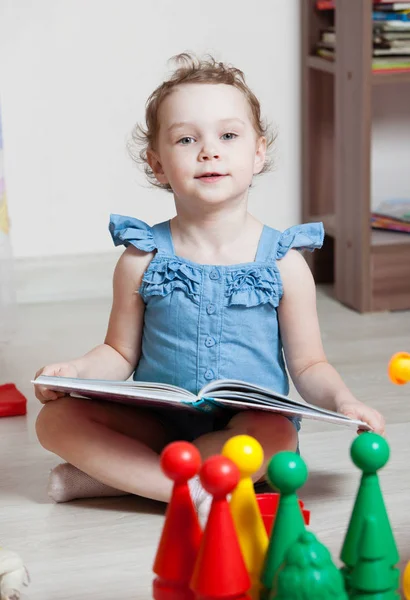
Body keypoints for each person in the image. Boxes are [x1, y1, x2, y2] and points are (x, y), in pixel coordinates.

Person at [34, 53, 385, 521]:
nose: (209, 151)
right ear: (157, 164)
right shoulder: (141, 257)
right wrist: (75, 372)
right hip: (159, 424)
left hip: (243, 428)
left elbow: (309, 364)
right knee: (54, 421)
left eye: (228, 135)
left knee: (275, 440)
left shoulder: (283, 262)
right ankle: (189, 488)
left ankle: (116, 480)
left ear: (258, 153)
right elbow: (119, 354)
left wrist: (344, 400)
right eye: (185, 139)